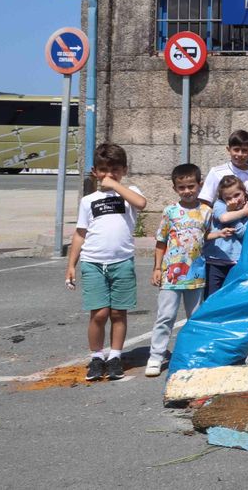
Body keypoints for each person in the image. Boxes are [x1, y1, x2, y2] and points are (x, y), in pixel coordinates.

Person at [66, 143, 147, 381]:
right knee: (99, 313)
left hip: (122, 261)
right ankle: (97, 356)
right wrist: (71, 264)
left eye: (114, 170)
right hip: (93, 262)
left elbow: (141, 204)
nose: (108, 175)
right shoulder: (89, 200)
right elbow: (80, 233)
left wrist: (116, 185)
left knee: (118, 312)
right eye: (103, 170)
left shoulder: (129, 191)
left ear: (124, 169)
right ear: (95, 171)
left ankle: (115, 356)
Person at [147, 163, 210, 377]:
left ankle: (193, 354)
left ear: (199, 185)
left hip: (196, 275)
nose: (187, 191)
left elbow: (207, 237)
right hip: (171, 275)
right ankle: (156, 356)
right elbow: (161, 241)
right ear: (175, 189)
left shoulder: (206, 212)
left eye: (191, 186)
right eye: (182, 187)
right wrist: (157, 267)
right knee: (165, 316)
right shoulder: (170, 212)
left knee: (195, 318)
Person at [201, 177, 248, 298]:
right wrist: (242, 213)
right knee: (211, 297)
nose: (233, 200)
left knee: (231, 297)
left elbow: (243, 234)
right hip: (215, 259)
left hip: (235, 261)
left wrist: (235, 215)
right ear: (222, 198)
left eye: (237, 195)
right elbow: (224, 218)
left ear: (244, 192)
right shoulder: (220, 205)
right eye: (228, 198)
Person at [199, 130, 248, 209]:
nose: (240, 154)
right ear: (228, 150)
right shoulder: (217, 172)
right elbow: (205, 202)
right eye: (236, 150)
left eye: (244, 150)